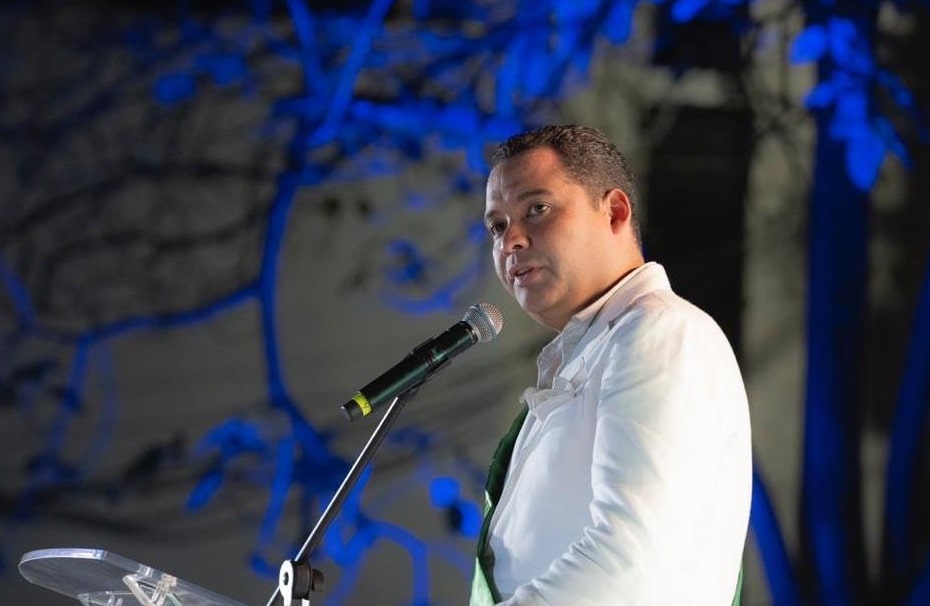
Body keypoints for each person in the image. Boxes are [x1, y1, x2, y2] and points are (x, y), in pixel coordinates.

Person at [470, 125, 752, 605]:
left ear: (616, 212)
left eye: (537, 209)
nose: (510, 240)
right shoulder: (600, 347)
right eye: (497, 226)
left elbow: (630, 561)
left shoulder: (659, 332)